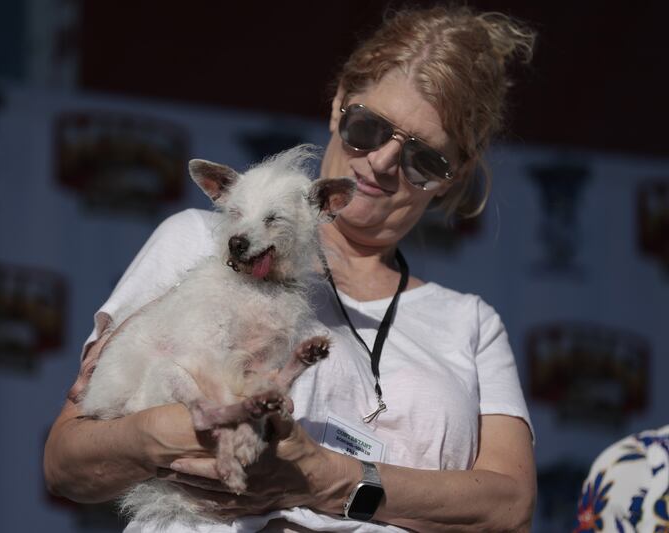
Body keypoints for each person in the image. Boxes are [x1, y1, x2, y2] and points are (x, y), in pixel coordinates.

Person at [44, 5, 538, 532]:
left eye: (425, 159)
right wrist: (156, 434)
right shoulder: (205, 240)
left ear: (453, 175)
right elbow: (67, 461)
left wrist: (329, 479)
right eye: (368, 128)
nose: (382, 162)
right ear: (337, 107)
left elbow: (509, 508)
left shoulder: (470, 323)